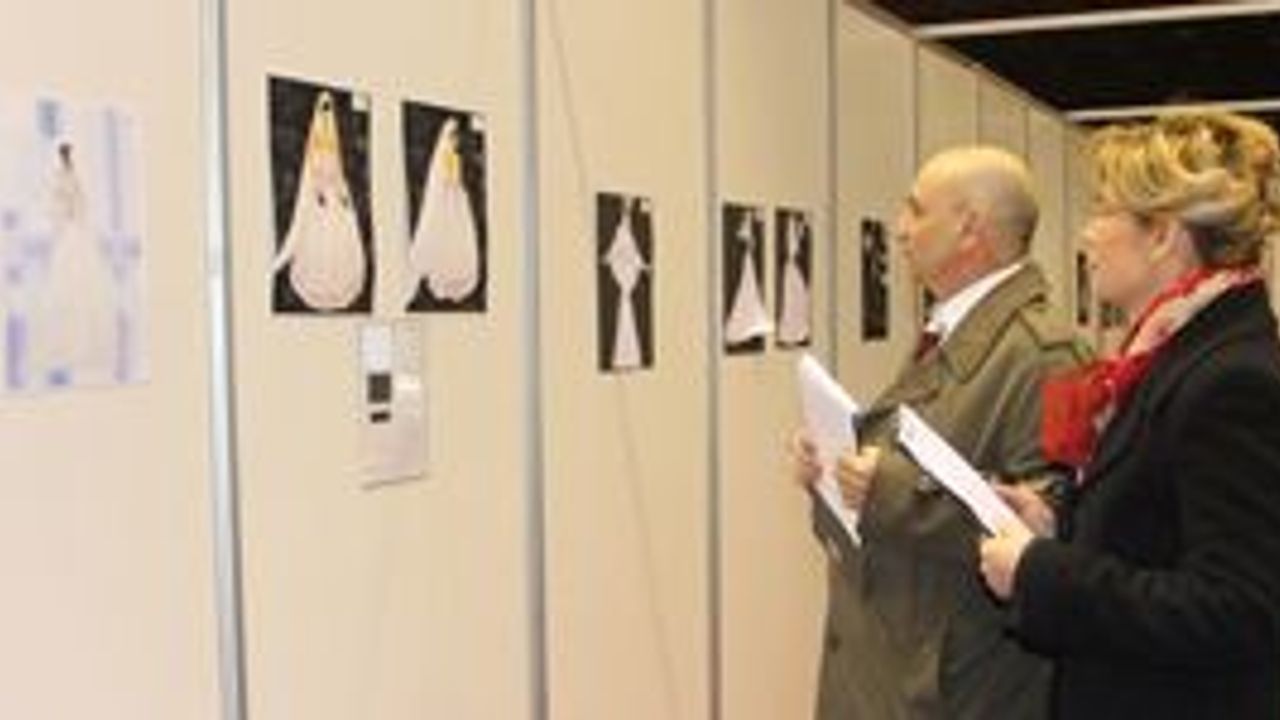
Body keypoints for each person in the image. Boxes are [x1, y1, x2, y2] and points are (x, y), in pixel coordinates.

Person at [979, 111, 1280, 719]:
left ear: (1163, 234)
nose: (1087, 235)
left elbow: (1237, 608)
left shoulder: (1230, 380)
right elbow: (1159, 530)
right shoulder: (1175, 353)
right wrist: (1057, 524)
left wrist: (1040, 573)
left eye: (1103, 211)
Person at [792, 146, 1087, 719]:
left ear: (969, 230)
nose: (900, 228)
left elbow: (1051, 532)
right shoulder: (959, 331)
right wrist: (833, 468)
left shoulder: (1047, 356)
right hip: (903, 665)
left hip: (959, 686)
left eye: (917, 209)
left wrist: (887, 489)